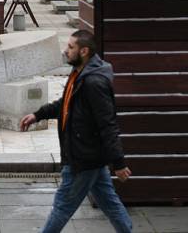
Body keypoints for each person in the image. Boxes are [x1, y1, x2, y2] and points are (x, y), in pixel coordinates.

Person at [20, 29, 132, 233]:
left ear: (84, 51)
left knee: (62, 207)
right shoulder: (79, 74)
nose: (66, 51)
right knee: (111, 205)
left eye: (71, 47)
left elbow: (107, 123)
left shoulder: (93, 82)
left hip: (82, 158)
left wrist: (119, 162)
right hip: (91, 157)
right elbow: (66, 105)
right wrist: (38, 114)